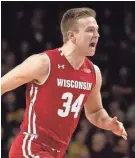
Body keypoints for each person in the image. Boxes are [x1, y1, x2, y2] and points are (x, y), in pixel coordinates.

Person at [1, 7, 127, 158]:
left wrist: (108, 122)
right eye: (90, 30)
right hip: (30, 148)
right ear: (72, 36)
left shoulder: (94, 72)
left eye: (97, 30)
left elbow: (94, 112)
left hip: (57, 152)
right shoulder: (43, 63)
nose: (97, 35)